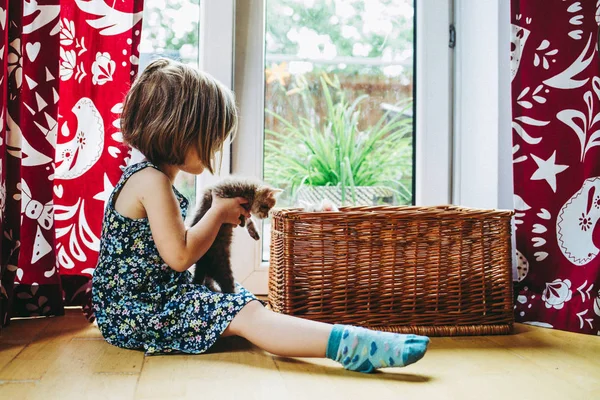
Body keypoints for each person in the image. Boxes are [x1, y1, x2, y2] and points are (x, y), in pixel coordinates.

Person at [92, 58, 429, 373]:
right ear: (179, 131)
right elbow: (180, 256)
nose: (216, 146)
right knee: (247, 314)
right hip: (138, 313)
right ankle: (348, 345)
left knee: (241, 303)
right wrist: (217, 213)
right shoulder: (151, 182)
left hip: (149, 301)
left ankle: (339, 339)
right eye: (210, 138)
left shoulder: (149, 177)